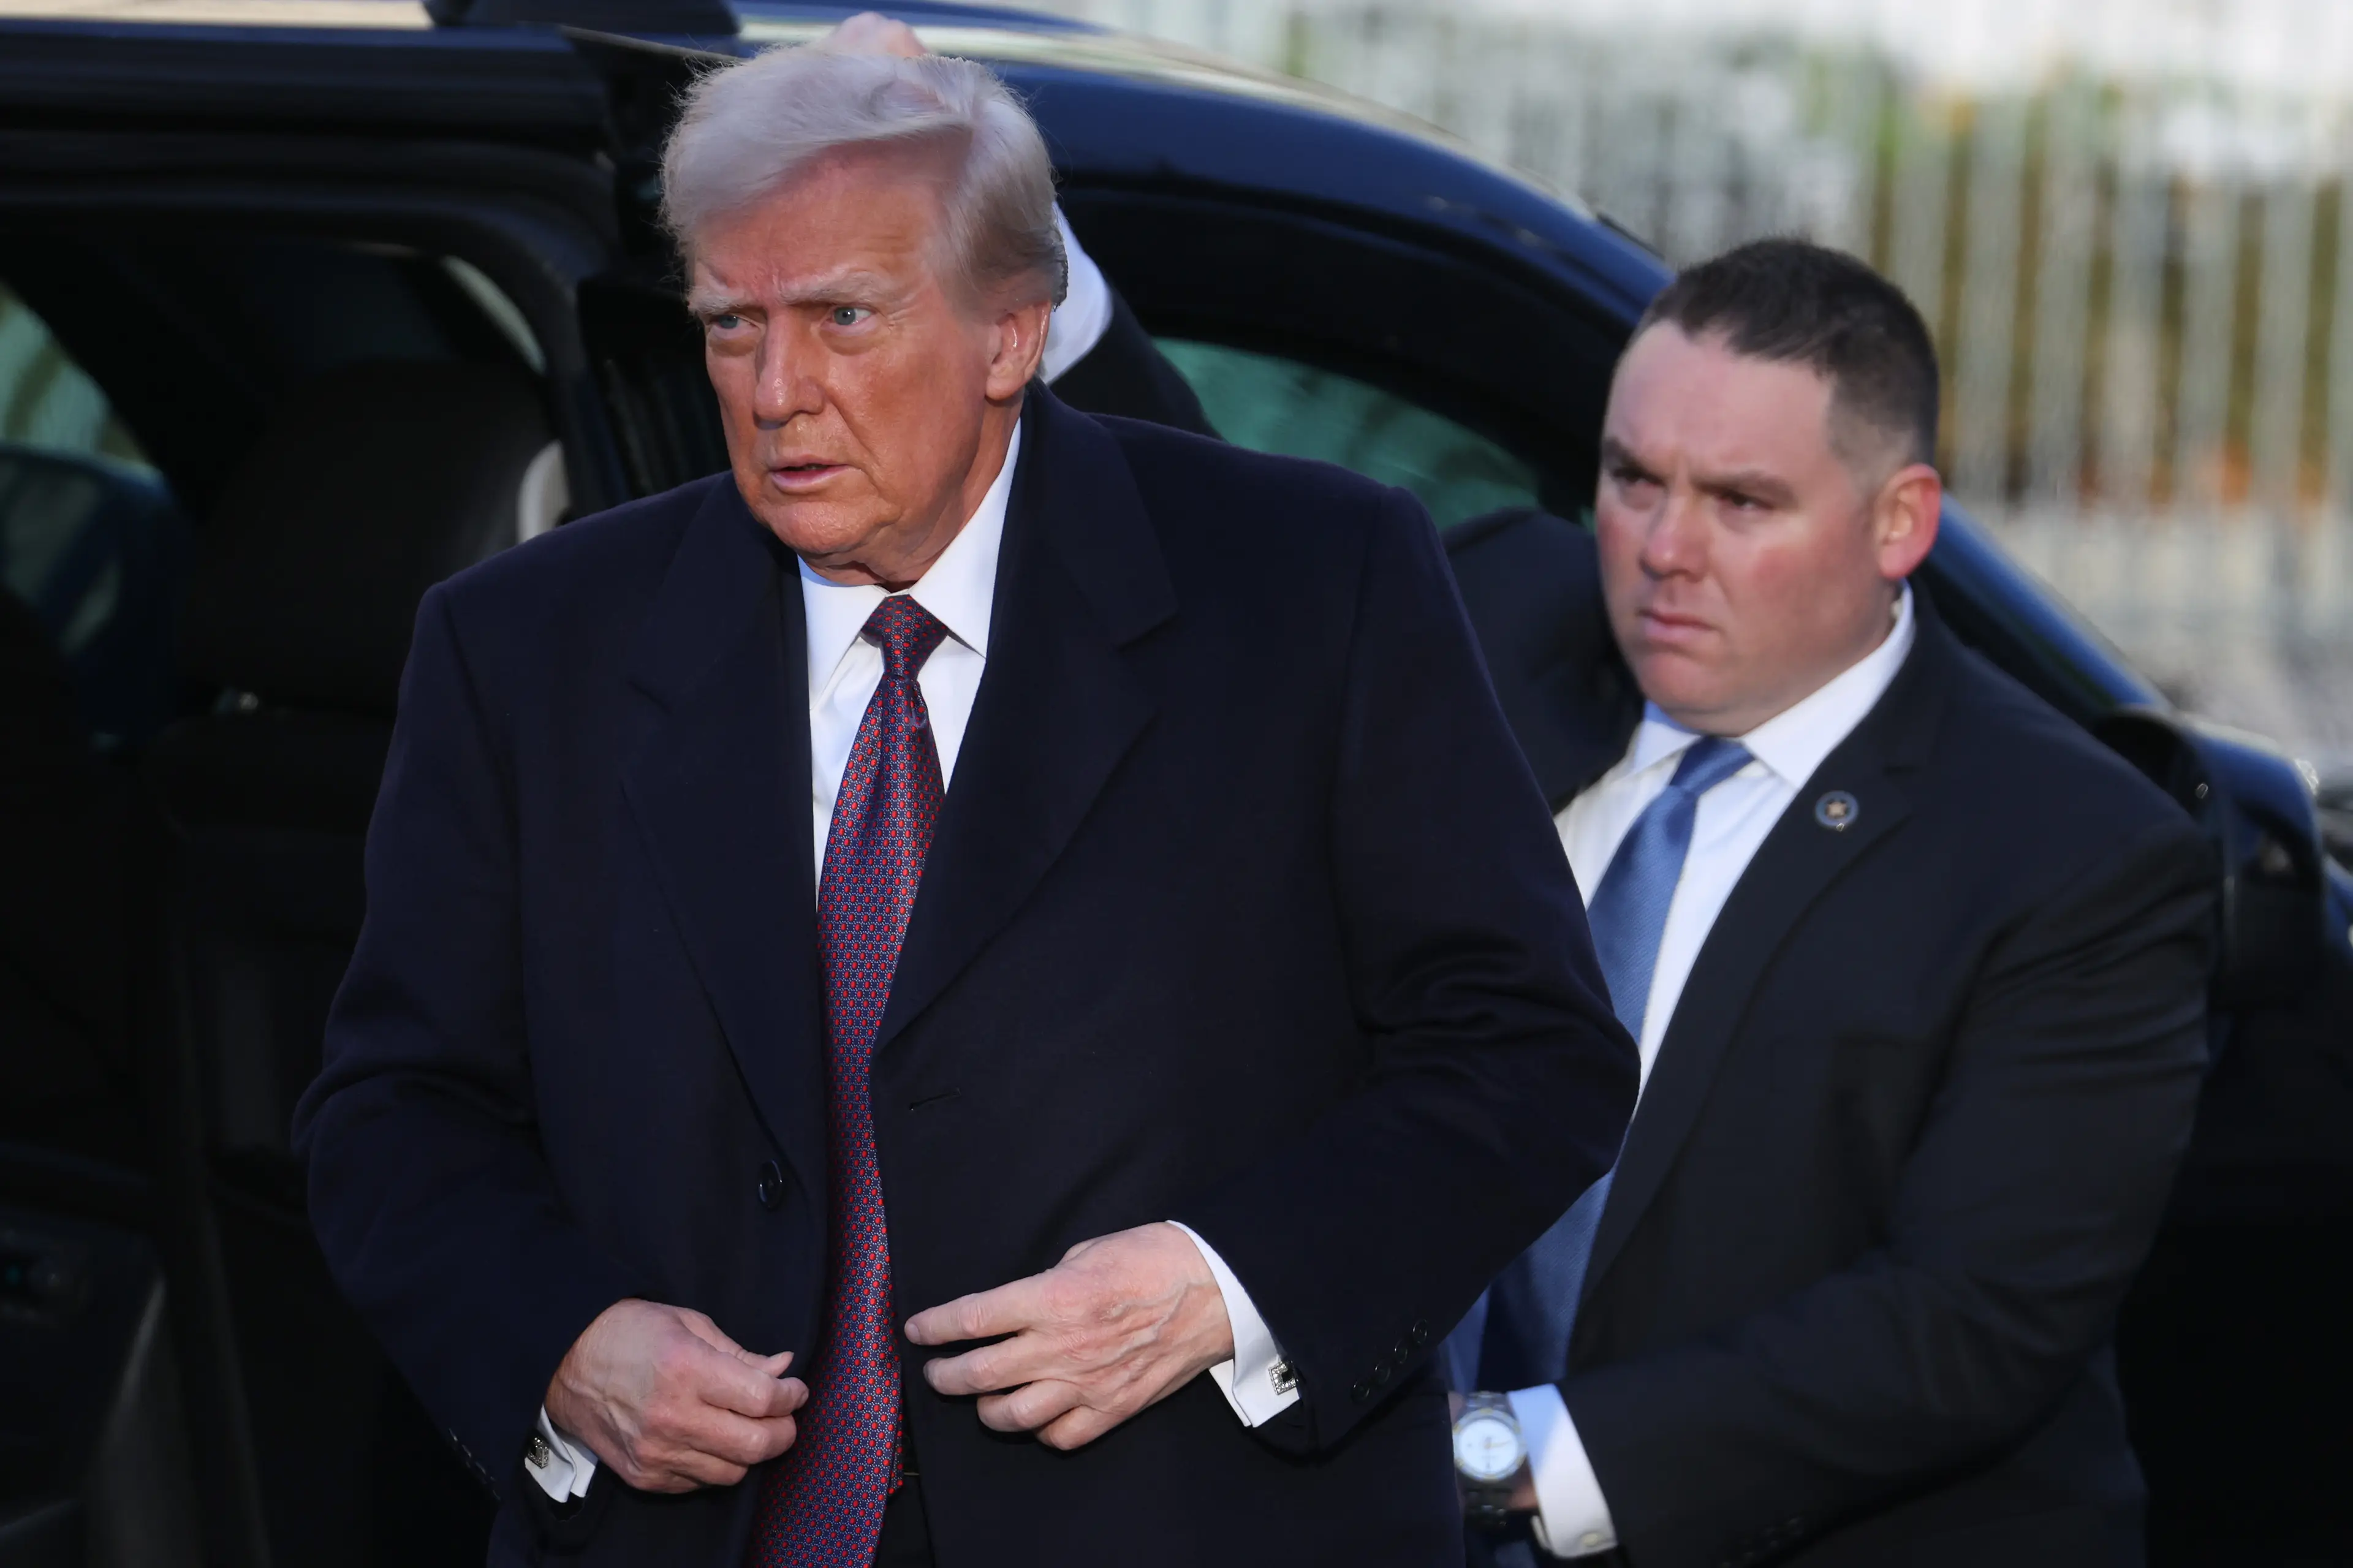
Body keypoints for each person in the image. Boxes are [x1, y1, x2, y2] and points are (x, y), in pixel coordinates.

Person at [292, 39, 1637, 1568]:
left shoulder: (1313, 587)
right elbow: (394, 1112)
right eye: (732, 325)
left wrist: (1221, 1287)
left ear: (1014, 331)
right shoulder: (528, 647)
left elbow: (1529, 1050)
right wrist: (561, 1342)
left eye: (843, 319)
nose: (778, 390)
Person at [1440, 239, 2215, 1568]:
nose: (1665, 551)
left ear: (1901, 522)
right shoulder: (1502, 609)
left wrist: (1487, 1454)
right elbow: (1229, 589)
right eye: (1632, 480)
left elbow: (1965, 1322)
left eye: (1743, 503)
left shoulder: (2073, 851)